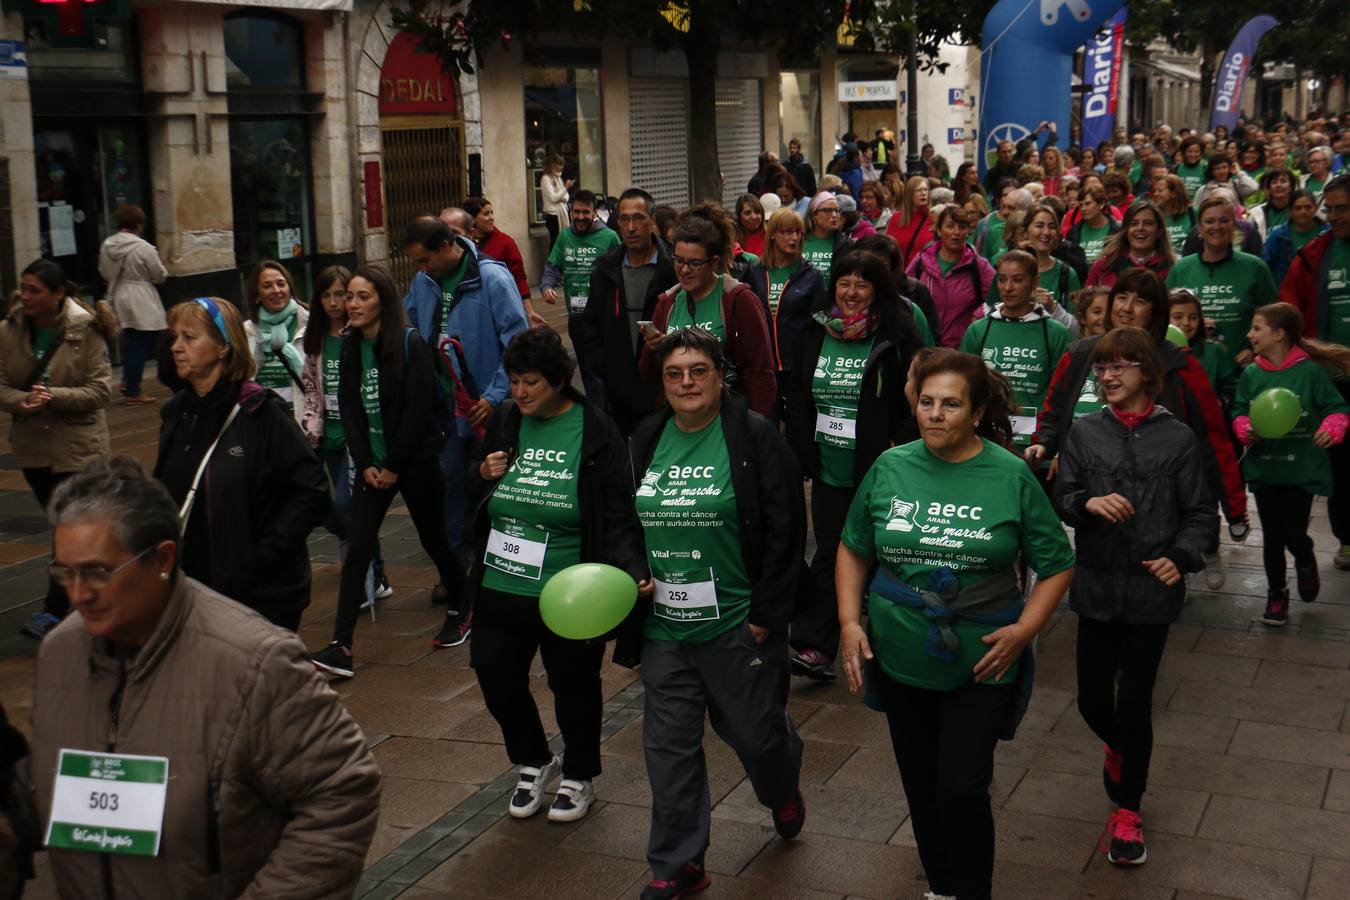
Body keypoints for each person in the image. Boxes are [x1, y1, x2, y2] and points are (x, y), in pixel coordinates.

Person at [29, 458, 380, 896]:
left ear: (162, 559)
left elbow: (341, 792)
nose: (79, 593)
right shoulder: (59, 652)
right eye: (65, 573)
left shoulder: (255, 663)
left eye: (98, 572)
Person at [837, 350, 1075, 900]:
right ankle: (942, 887)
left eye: (950, 404)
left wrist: (1025, 630)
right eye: (927, 402)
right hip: (900, 656)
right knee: (922, 785)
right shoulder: (890, 466)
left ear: (977, 412)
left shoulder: (1010, 474)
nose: (936, 414)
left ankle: (971, 890)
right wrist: (849, 621)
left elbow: (1058, 563)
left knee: (963, 786)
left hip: (983, 660)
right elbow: (853, 548)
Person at [624, 328, 807, 900]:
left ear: (719, 375)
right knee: (668, 746)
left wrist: (765, 614)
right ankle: (679, 863)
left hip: (737, 624)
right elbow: (625, 520)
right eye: (674, 373)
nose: (686, 382)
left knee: (756, 738)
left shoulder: (753, 436)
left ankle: (781, 786)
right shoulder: (647, 437)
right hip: (666, 628)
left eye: (698, 370)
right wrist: (634, 571)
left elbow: (785, 529)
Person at [1053, 328, 1216, 868]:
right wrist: (1087, 504)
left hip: (1151, 592)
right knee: (1092, 701)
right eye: (1102, 368)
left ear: (1147, 372)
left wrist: (1182, 557)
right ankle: (1119, 746)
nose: (1108, 376)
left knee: (1136, 702)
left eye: (1120, 366)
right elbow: (1063, 496)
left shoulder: (1178, 439)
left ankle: (1128, 811)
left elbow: (1200, 514)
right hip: (1097, 587)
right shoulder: (1085, 432)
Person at [468, 327, 644, 823]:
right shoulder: (506, 419)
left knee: (573, 685)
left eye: (531, 382)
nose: (520, 392)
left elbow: (618, 509)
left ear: (559, 381)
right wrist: (482, 473)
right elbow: (475, 486)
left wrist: (628, 566)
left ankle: (580, 773)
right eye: (514, 381)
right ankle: (534, 759)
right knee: (494, 673)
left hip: (569, 589)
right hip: (500, 581)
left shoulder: (595, 428)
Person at [308, 267, 466, 677]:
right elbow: (350, 408)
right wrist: (367, 463)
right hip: (372, 468)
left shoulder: (409, 343)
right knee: (358, 547)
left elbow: (417, 411)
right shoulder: (350, 346)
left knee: (434, 540)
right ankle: (341, 645)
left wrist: (394, 465)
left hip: (414, 463)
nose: (352, 304)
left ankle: (463, 604)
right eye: (349, 297)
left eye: (362, 296)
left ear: (383, 301)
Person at [1031, 270, 1248, 541]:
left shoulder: (1179, 364)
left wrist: (1233, 506)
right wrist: (1044, 443)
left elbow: (1213, 439)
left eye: (1140, 301)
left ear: (1156, 312)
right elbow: (1055, 409)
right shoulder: (1080, 353)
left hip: (1159, 506)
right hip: (1094, 502)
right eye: (1122, 297)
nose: (1127, 308)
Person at [786, 252, 922, 679]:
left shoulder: (896, 333)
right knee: (831, 552)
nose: (851, 292)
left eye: (862, 284)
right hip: (828, 465)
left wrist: (900, 444)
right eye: (844, 282)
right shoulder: (816, 329)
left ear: (877, 290)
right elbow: (799, 390)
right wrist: (801, 445)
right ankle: (817, 645)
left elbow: (916, 394)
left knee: (884, 553)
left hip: (879, 466)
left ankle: (890, 644)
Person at [156, 297, 328, 630]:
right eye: (174, 337)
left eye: (189, 337)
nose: (176, 347)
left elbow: (312, 489)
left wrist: (262, 556)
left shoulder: (261, 412)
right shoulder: (177, 414)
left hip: (261, 596)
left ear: (223, 347)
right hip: (196, 592)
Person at [403, 216, 528, 590]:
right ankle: (456, 573)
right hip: (444, 409)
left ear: (446, 246)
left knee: (496, 487)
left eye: (424, 260)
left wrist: (493, 395)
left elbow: (518, 342)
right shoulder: (424, 282)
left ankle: (501, 567)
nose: (421, 269)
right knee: (448, 487)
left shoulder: (492, 278)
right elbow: (411, 326)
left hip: (488, 409)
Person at [1, 259, 112, 640]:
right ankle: (99, 586)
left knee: (67, 527)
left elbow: (101, 390)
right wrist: (21, 401)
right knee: (67, 526)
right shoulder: (9, 330)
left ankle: (55, 609)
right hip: (34, 447)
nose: (25, 296)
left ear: (58, 294)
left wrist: (54, 396)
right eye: (23, 288)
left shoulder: (86, 330)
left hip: (78, 447)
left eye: (35, 290)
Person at [1233, 304, 1349, 626]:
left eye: (1256, 328)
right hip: (1265, 468)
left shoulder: (1310, 372)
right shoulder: (1251, 374)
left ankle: (1305, 557)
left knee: (1293, 532)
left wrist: (1332, 428)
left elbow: (1337, 407)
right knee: (1272, 535)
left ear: (1279, 334)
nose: (1249, 334)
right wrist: (1245, 428)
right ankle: (1276, 595)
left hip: (1301, 468)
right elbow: (1240, 409)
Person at [300, 266, 391, 611]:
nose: (336, 302)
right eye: (327, 295)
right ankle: (376, 575)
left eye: (342, 294)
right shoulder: (314, 338)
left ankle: (368, 578)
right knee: (335, 509)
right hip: (327, 437)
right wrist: (311, 426)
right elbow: (311, 387)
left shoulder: (360, 335)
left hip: (357, 438)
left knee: (346, 508)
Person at [1277, 173, 1350, 569]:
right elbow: (1290, 312)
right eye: (1330, 208)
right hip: (1335, 384)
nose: (1333, 216)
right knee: (1341, 465)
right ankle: (1347, 538)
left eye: (1343, 209)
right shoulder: (1314, 255)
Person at [637, 215, 776, 417]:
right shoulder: (668, 302)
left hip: (727, 418)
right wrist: (653, 348)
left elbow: (761, 372)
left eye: (694, 263)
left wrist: (756, 426)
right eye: (678, 261)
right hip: (679, 420)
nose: (684, 270)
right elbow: (648, 375)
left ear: (714, 262)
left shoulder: (738, 300)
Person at [960, 250, 1073, 466]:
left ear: (1034, 282)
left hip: (1036, 450)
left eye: (1018, 280)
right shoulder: (978, 330)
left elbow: (1065, 396)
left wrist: (1057, 449)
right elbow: (964, 387)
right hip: (986, 445)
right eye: (1002, 279)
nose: (1008, 287)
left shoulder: (1055, 333)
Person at [1165, 196, 1277, 365]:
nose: (1217, 227)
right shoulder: (1181, 269)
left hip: (1242, 367)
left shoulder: (1255, 268)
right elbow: (1163, 318)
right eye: (1209, 221)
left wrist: (1254, 349)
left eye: (1224, 221)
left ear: (1234, 226)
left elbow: (1274, 317)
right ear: (1199, 228)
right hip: (1190, 366)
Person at [541, 190, 623, 403]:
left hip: (604, 317)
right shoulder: (564, 237)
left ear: (595, 213)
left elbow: (622, 271)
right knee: (587, 370)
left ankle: (605, 412)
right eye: (576, 212)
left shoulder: (609, 237)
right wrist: (547, 286)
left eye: (585, 212)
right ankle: (598, 411)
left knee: (602, 370)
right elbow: (553, 266)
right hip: (577, 317)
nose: (580, 217)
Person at [746, 207, 825, 421]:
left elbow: (820, 321)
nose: (794, 238)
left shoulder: (811, 275)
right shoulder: (755, 272)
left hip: (798, 367)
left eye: (798, 232)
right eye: (787, 232)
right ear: (772, 234)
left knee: (798, 428)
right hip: (764, 367)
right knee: (766, 427)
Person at [98, 203, 166, 405]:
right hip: (142, 297)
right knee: (141, 344)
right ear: (138, 224)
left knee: (132, 341)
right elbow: (159, 275)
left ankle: (128, 380)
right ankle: (132, 390)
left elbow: (104, 272)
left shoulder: (108, 245)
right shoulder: (144, 248)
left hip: (119, 294)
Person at [907, 205, 996, 348]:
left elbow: (997, 294)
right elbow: (902, 293)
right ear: (938, 230)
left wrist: (978, 316)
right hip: (924, 349)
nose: (956, 232)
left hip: (961, 349)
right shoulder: (921, 261)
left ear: (967, 232)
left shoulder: (978, 265)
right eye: (950, 226)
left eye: (962, 227)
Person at [461, 196, 543, 326]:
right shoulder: (462, 244)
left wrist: (530, 311)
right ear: (472, 219)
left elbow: (519, 277)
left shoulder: (505, 243)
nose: (491, 218)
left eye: (492, 213)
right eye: (486, 214)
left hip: (500, 305)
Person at [242, 259, 307, 419]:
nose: (276, 290)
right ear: (257, 295)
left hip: (302, 421)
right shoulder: (247, 332)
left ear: (289, 288)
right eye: (267, 286)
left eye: (281, 284)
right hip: (264, 422)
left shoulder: (310, 325)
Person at [989, 204, 1082, 313]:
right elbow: (990, 311)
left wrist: (1053, 307)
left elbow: (1077, 321)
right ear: (1026, 232)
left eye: (1052, 227)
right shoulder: (1007, 268)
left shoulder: (1067, 274)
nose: (1046, 232)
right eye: (1039, 226)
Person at [1168, 289, 1238, 411]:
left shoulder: (1215, 351)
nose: (1186, 323)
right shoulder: (1153, 350)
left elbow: (1231, 388)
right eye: (1178, 317)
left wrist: (1221, 402)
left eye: (1193, 317)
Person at [1086, 201, 1176, 289]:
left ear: (1159, 231)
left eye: (1148, 223)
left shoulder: (1171, 268)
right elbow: (1087, 297)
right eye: (1134, 224)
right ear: (1126, 230)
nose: (1140, 228)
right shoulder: (1104, 265)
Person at [1262, 189, 1326, 289]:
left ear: (1316, 208)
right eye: (1298, 208)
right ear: (1290, 211)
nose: (1303, 211)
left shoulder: (1327, 234)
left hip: (1320, 291)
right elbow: (1264, 266)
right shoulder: (1277, 236)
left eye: (1308, 207)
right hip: (1287, 292)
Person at [801, 191, 851, 288]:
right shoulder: (799, 240)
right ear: (814, 214)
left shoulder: (846, 245)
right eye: (828, 210)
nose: (834, 215)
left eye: (837, 210)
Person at [885, 176, 934, 267]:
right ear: (909, 195)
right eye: (919, 190)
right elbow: (888, 248)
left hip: (923, 271)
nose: (923, 193)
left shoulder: (934, 218)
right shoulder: (896, 219)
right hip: (900, 272)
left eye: (925, 190)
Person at [1066, 184, 1119, 267]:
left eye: (1088, 204)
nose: (1083, 209)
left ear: (1101, 204)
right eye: (1080, 205)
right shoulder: (1073, 232)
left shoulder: (1117, 230)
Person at [1247, 168, 1297, 243]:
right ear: (1269, 188)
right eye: (1274, 182)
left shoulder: (1300, 209)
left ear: (1291, 187)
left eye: (1283, 181)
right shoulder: (1256, 213)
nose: (1278, 185)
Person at [1152, 174, 1197, 255]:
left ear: (1174, 193)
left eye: (1160, 191)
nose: (1156, 194)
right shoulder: (1155, 217)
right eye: (1155, 191)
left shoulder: (1193, 213)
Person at [1192, 154, 1258, 209]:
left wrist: (1239, 172)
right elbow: (1196, 210)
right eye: (1217, 168)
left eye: (1224, 167)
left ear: (1229, 168)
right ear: (1212, 171)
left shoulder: (1237, 186)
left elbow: (1254, 188)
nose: (1221, 171)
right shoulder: (1203, 190)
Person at [539, 154, 572, 248]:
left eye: (562, 164)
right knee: (555, 242)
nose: (562, 167)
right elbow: (553, 198)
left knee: (562, 240)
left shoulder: (558, 177)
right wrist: (566, 188)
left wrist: (564, 197)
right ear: (552, 165)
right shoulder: (546, 179)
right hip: (552, 214)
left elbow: (566, 195)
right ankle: (552, 258)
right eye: (560, 164)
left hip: (562, 212)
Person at [735, 193, 767, 257]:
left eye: (757, 212)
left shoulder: (771, 236)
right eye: (747, 213)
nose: (754, 217)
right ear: (739, 216)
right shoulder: (732, 239)